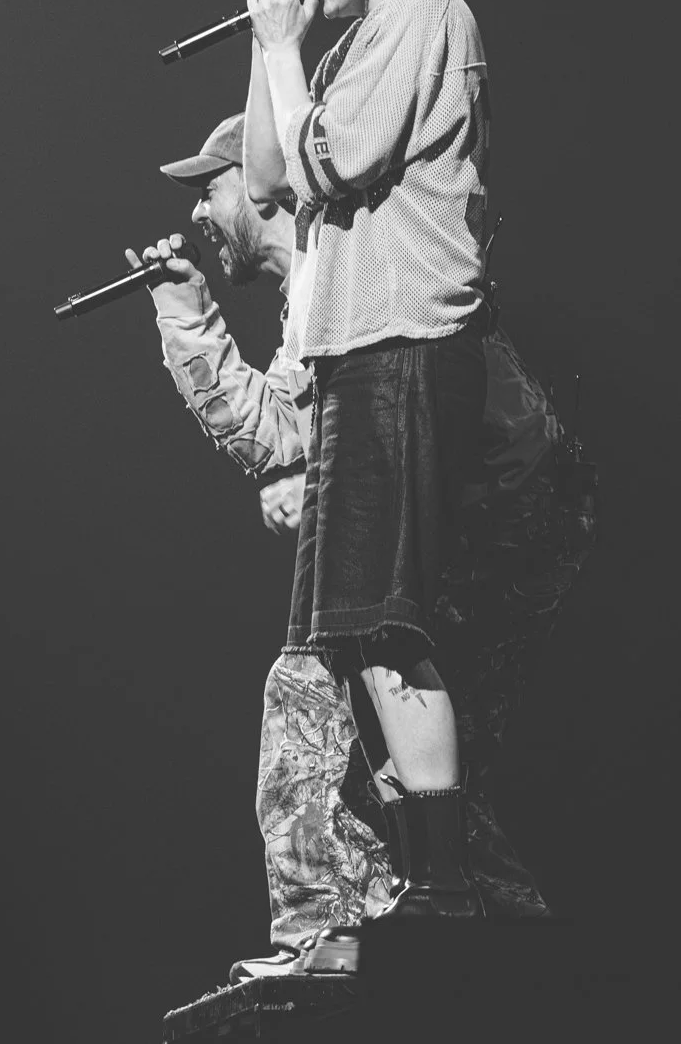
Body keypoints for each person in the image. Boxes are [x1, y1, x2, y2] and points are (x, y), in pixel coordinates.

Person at [131, 113, 596, 979]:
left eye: (210, 186)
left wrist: (316, 487)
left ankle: (330, 940)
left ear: (261, 182)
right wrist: (186, 316)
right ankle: (504, 941)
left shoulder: (335, 256)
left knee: (315, 692)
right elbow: (283, 432)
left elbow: (342, 426)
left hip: (505, 509)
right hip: (507, 510)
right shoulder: (309, 285)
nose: (198, 211)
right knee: (410, 755)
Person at [236, 0, 498, 918]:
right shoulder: (357, 42)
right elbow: (266, 174)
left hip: (400, 347)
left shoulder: (424, 15)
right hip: (357, 355)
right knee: (352, 629)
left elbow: (332, 161)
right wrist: (271, 50)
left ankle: (442, 875)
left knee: (389, 623)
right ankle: (421, 874)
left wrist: (289, 52)